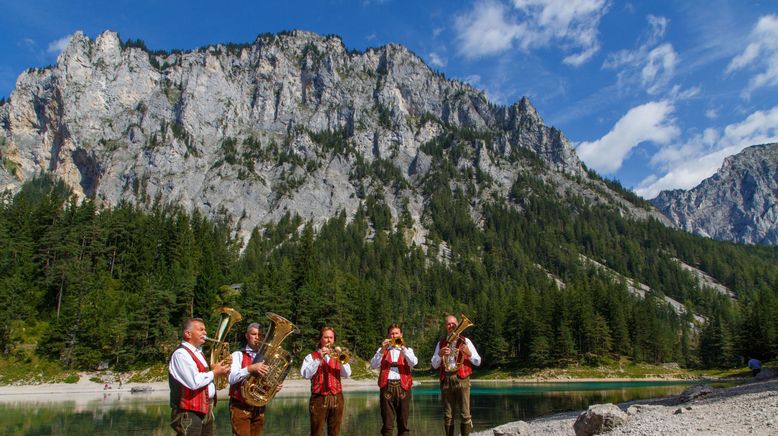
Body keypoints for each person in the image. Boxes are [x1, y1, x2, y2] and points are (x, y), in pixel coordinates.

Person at [169, 317, 231, 436]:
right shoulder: (181, 354)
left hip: (206, 408)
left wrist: (219, 370)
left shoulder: (199, 353)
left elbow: (203, 376)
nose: (205, 333)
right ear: (188, 334)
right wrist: (214, 372)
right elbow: (194, 382)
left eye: (205, 330)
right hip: (188, 411)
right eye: (201, 330)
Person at [431, 314, 481, 436]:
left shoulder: (466, 341)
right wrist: (440, 354)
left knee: (465, 414)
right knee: (448, 416)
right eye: (448, 324)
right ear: (445, 326)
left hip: (462, 379)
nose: (451, 326)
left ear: (458, 324)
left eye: (454, 323)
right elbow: (434, 365)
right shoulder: (441, 343)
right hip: (446, 380)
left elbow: (478, 362)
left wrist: (469, 353)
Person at [228, 322, 278, 436]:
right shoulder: (238, 355)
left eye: (260, 335)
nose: (257, 337)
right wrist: (250, 368)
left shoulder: (267, 358)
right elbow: (231, 378)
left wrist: (274, 386)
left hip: (259, 408)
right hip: (240, 406)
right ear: (247, 336)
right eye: (254, 334)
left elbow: (266, 382)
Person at [301, 326, 352, 436]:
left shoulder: (337, 356)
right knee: (316, 432)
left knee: (335, 432)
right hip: (319, 398)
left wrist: (340, 357)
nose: (329, 340)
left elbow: (347, 374)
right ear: (320, 339)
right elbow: (305, 374)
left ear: (334, 340)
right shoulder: (311, 356)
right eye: (326, 337)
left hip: (337, 398)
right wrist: (319, 358)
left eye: (331, 337)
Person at [370, 323, 418, 436]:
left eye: (396, 333)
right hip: (386, 387)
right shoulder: (382, 350)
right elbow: (373, 365)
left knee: (403, 424)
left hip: (403, 387)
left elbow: (414, 363)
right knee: (387, 425)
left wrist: (403, 349)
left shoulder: (407, 349)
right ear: (388, 335)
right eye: (392, 334)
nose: (394, 336)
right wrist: (382, 349)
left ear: (401, 335)